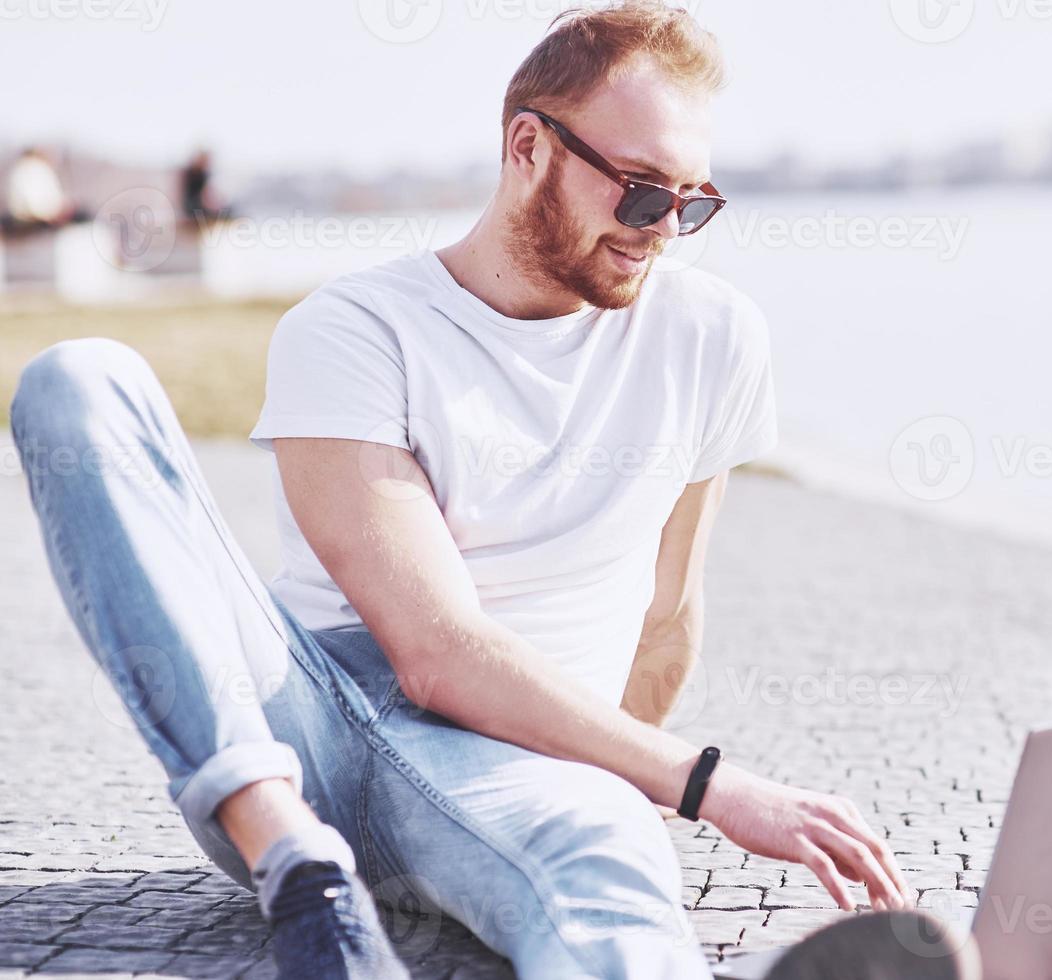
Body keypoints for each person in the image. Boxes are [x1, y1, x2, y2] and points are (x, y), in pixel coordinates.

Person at [9, 3, 977, 977]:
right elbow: (432, 651)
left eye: (690, 204)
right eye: (641, 194)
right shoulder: (355, 329)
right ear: (527, 145)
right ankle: (300, 869)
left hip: (517, 763)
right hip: (303, 737)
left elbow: (666, 615)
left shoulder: (712, 338)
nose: (662, 233)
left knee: (606, 870)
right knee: (78, 381)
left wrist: (608, 787)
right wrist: (710, 785)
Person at [3, 146, 76, 233]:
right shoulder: (32, 168)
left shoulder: (28, 168)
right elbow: (34, 204)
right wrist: (52, 214)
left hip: (42, 215)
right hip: (32, 219)